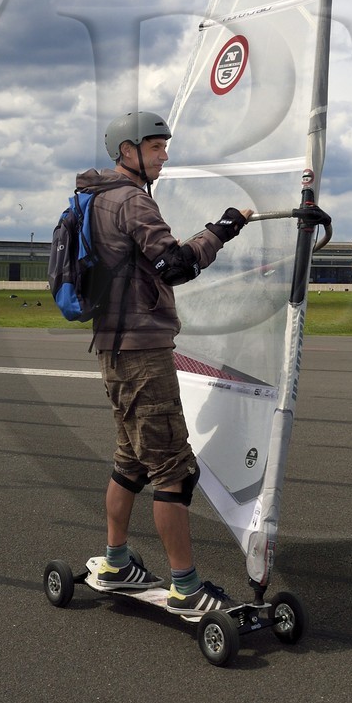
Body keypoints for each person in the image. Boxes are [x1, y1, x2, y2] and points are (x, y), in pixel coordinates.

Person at [76, 111, 252, 614]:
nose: (165, 155)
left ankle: (114, 562)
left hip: (114, 347)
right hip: (140, 352)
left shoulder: (95, 198)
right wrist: (222, 228)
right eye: (155, 147)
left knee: (131, 461)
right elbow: (173, 265)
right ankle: (186, 586)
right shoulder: (132, 201)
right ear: (127, 152)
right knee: (174, 471)